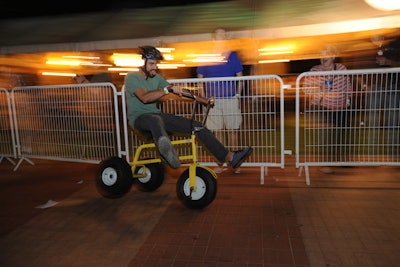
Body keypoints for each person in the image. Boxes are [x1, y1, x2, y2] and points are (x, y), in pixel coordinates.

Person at [124, 45, 252, 171]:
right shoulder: (132, 77)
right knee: (154, 119)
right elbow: (145, 98)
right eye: (152, 64)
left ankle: (230, 157)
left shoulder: (157, 78)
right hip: (140, 120)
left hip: (158, 117)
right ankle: (167, 154)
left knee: (198, 126)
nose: (155, 67)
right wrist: (166, 89)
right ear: (143, 63)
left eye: (156, 64)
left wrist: (204, 101)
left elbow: (180, 92)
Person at [196, 28, 244, 174]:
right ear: (214, 39)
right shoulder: (206, 55)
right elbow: (199, 79)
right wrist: (204, 99)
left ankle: (234, 163)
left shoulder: (233, 55)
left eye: (224, 35)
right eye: (219, 36)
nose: (222, 38)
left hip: (230, 99)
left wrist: (237, 95)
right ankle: (221, 162)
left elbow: (240, 77)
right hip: (213, 101)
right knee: (217, 133)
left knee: (233, 131)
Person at [304, 44, 352, 174]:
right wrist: (319, 89)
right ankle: (324, 164)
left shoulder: (342, 69)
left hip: (340, 108)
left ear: (333, 56)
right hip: (322, 107)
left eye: (326, 54)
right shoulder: (314, 70)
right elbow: (305, 89)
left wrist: (348, 100)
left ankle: (342, 161)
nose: (323, 57)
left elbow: (347, 85)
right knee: (324, 137)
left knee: (341, 136)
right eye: (321, 54)